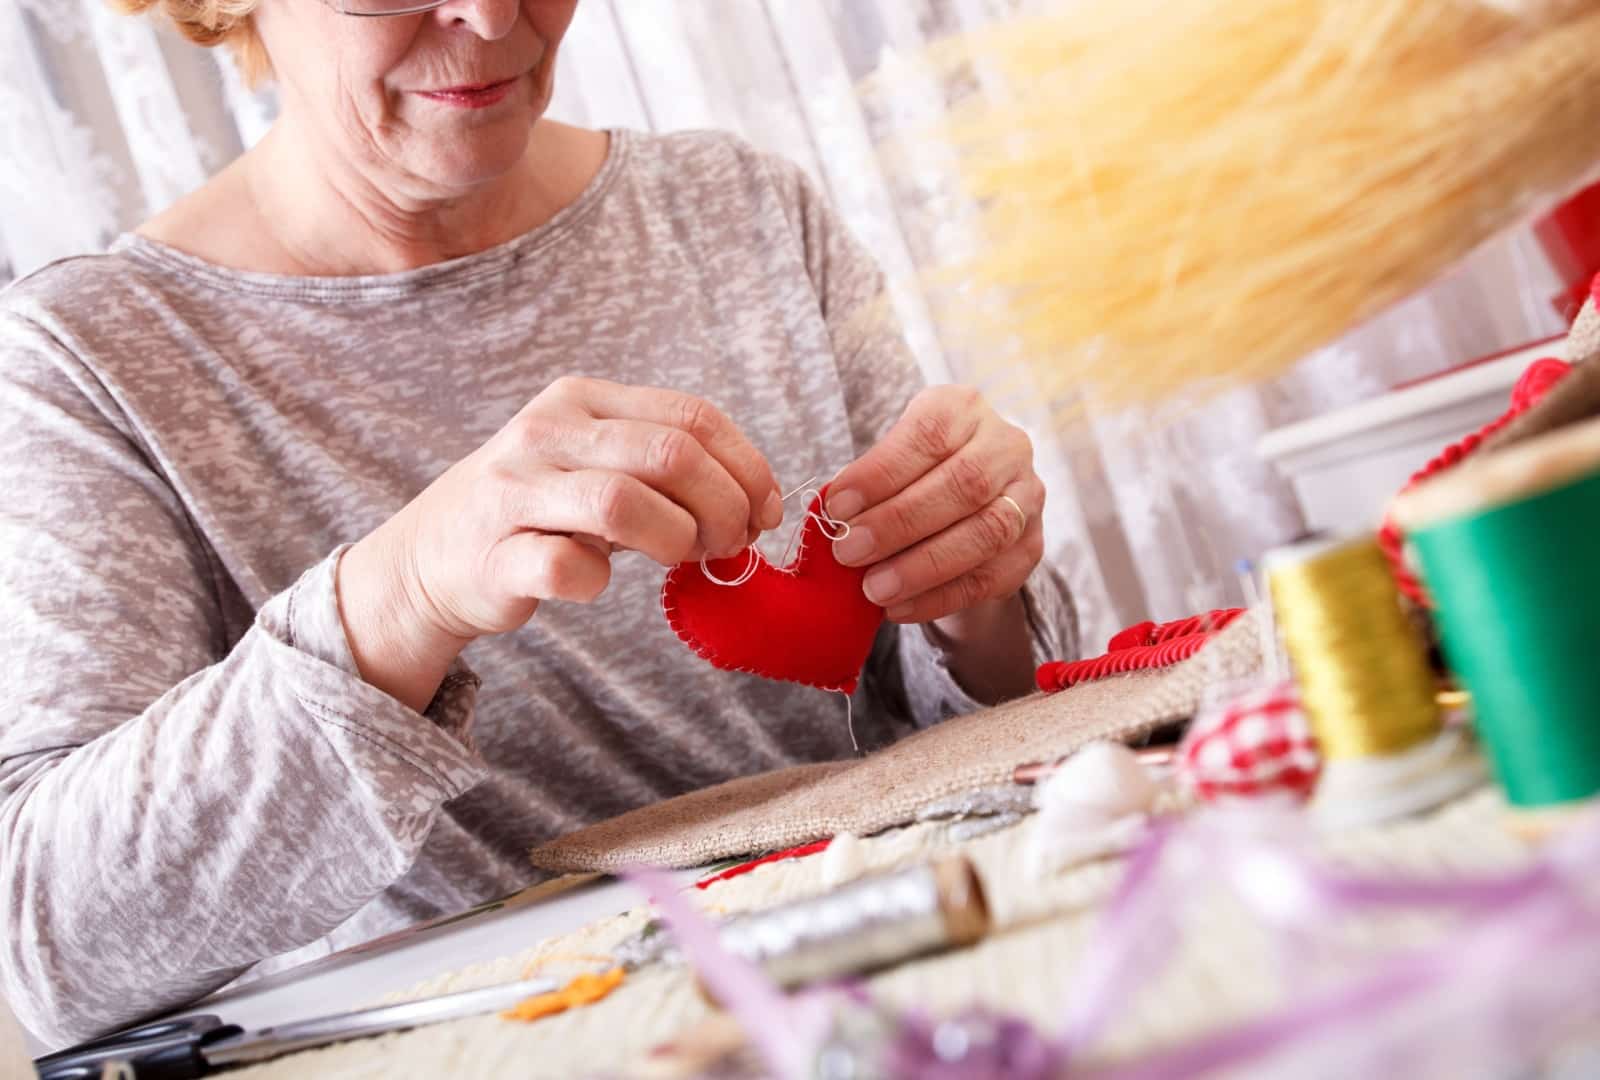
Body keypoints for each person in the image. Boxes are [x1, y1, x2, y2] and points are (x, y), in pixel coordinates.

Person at [0, 0, 1075, 1046]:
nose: (488, 14)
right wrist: (400, 597)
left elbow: (970, 721)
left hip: (908, 965)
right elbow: (56, 952)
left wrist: (974, 600)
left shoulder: (740, 206)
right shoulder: (84, 362)